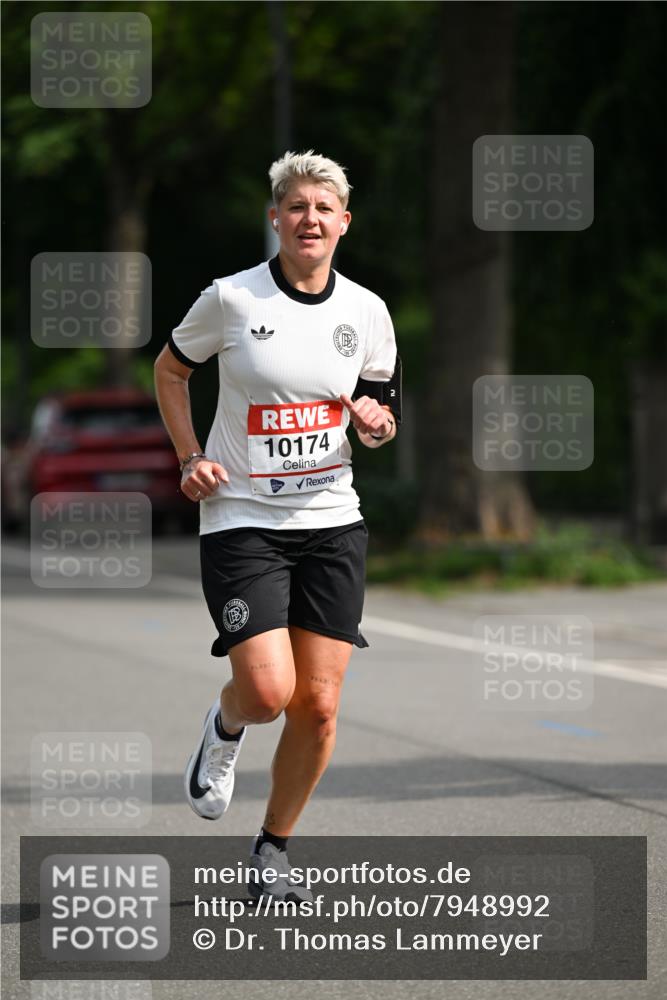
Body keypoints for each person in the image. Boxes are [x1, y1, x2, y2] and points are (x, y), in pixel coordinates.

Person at [154, 150, 400, 904]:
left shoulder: (366, 312)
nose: (310, 219)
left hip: (331, 520)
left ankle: (271, 849)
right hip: (241, 521)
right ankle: (225, 728)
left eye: (324, 208)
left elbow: (384, 418)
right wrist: (190, 456)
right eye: (296, 206)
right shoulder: (229, 299)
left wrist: (374, 424)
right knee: (266, 693)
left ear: (343, 223)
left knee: (318, 707)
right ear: (275, 218)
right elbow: (169, 371)